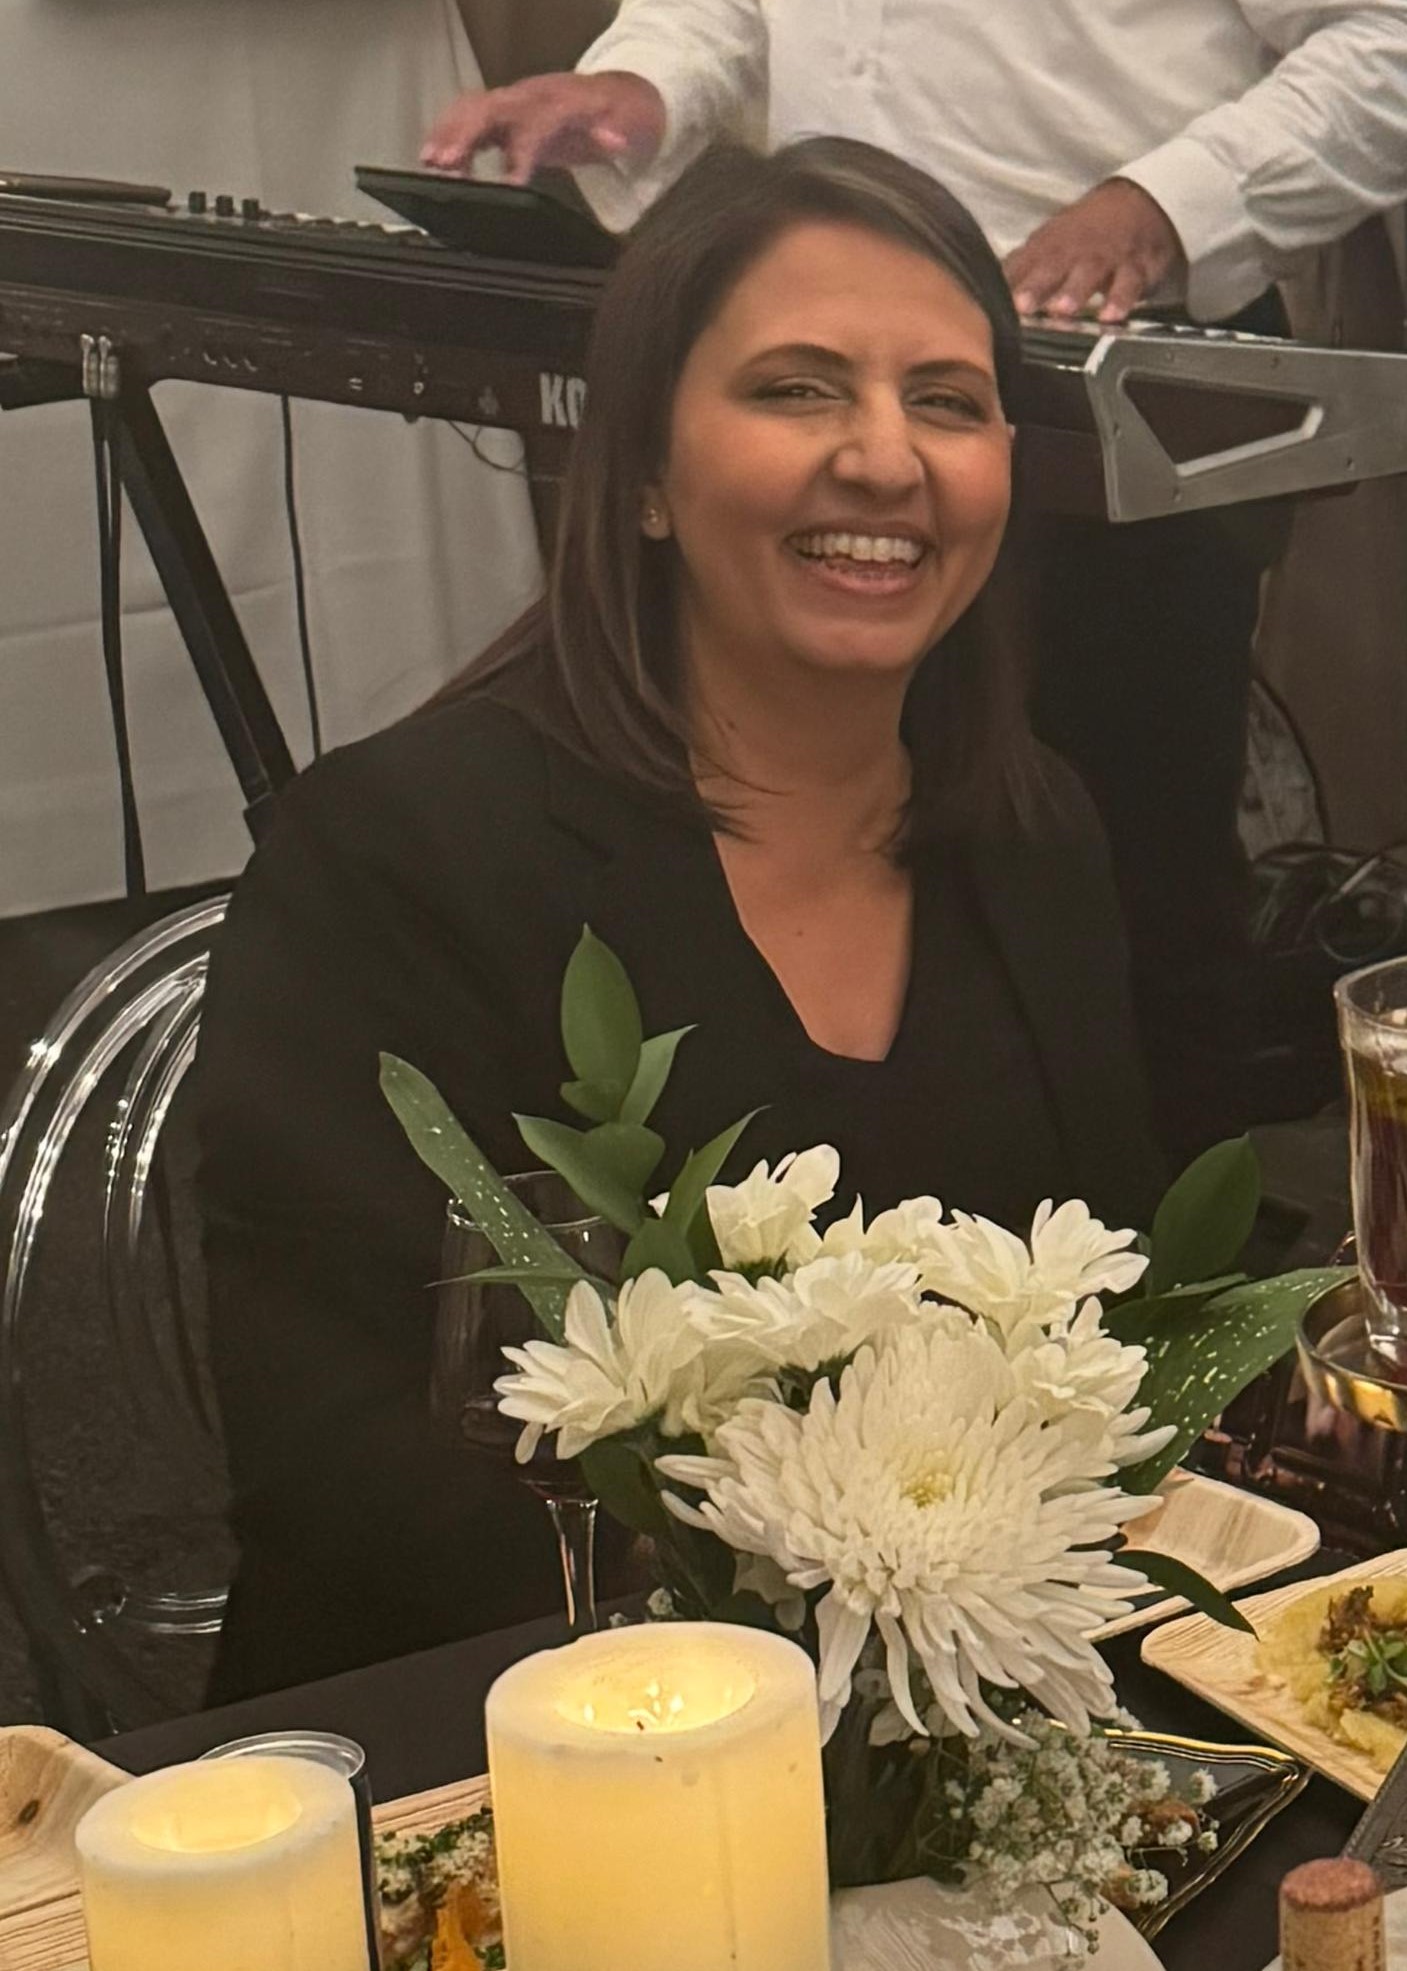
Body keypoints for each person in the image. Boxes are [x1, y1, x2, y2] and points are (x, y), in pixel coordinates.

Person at [190, 139, 1165, 1701]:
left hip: (957, 1705)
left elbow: (1115, 1329)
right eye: (797, 389)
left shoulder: (1034, 832)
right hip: (501, 1733)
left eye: (946, 400)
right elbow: (344, 1469)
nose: (885, 459)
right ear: (642, 471)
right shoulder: (397, 853)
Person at [419, 0, 1407, 1150]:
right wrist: (644, 82)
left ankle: (1132, 1237)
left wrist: (1161, 205)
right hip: (805, 314)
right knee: (761, 863)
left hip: (1100, 346)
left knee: (1112, 895)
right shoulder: (397, 842)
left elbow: (1405, 38)